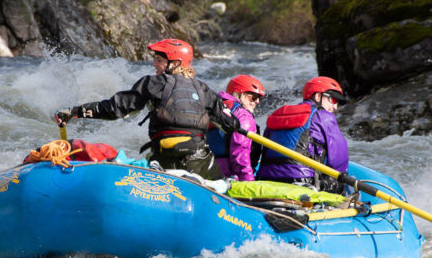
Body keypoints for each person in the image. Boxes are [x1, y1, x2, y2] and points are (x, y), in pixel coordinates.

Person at [54, 38, 240, 180]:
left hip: (164, 159)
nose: (154, 64)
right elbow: (231, 124)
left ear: (174, 63)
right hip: (199, 161)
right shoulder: (204, 90)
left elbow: (114, 108)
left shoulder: (152, 83)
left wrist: (75, 111)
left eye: (159, 60)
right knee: (221, 182)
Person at [256, 76, 348, 194]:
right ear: (317, 96)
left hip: (266, 178)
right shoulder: (323, 116)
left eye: (338, 103)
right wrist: (339, 182)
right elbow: (339, 159)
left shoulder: (278, 113)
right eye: (333, 100)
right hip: (302, 181)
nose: (335, 107)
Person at [206, 74, 265, 181]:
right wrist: (248, 180)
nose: (257, 102)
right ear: (238, 94)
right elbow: (240, 153)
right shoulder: (243, 115)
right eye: (253, 97)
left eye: (259, 98)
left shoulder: (215, 109)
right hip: (232, 178)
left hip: (209, 173)